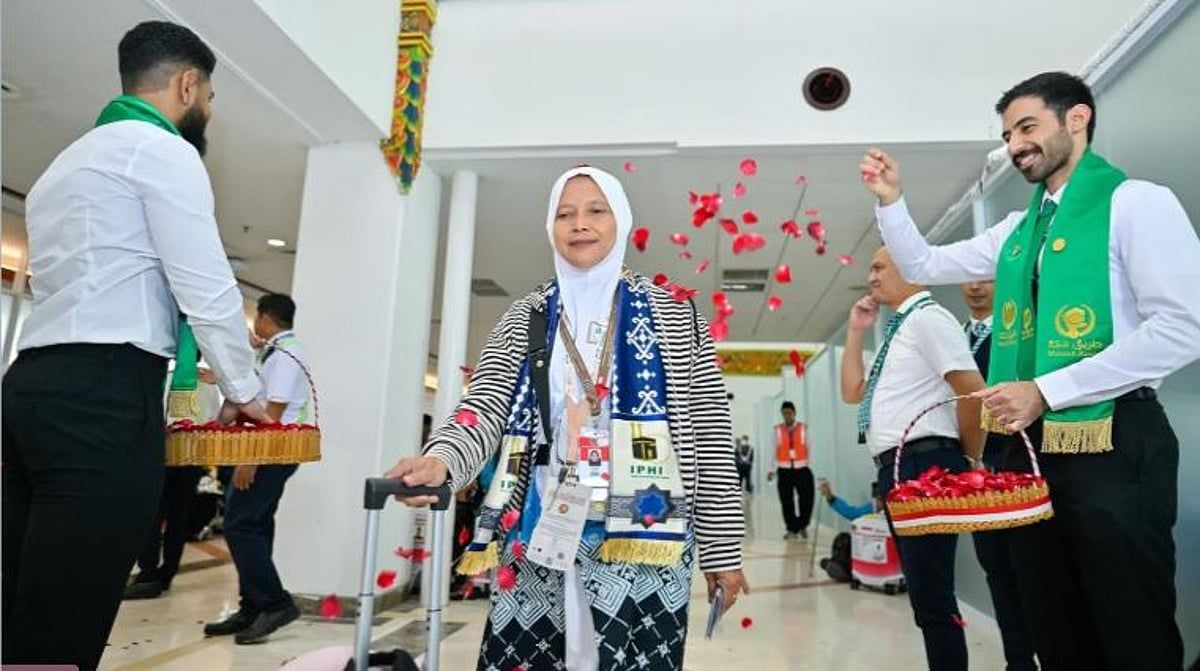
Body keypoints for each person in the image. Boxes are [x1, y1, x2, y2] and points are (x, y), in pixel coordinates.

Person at [861, 71, 1199, 670]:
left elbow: (1183, 327)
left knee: (1131, 626)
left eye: (1026, 127)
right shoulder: (1019, 231)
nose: (1015, 145)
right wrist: (891, 203)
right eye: (1007, 136)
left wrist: (1046, 389)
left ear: (1077, 119)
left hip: (1114, 441)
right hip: (1030, 455)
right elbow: (925, 263)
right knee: (1053, 627)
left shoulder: (1136, 203)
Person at [385, 166, 748, 670]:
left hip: (646, 537)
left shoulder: (674, 315)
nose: (580, 224)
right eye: (565, 214)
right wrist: (441, 460)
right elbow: (483, 406)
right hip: (542, 525)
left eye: (596, 211)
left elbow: (709, 433)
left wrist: (722, 550)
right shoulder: (527, 316)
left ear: (621, 220)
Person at [1, 21, 266, 670]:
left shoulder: (65, 165)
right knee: (64, 619)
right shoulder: (163, 151)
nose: (207, 111)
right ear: (188, 85)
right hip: (104, 395)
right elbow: (205, 285)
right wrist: (245, 389)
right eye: (209, 97)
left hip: (28, 385)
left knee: (17, 603)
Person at [840, 246, 986, 671]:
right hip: (900, 469)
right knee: (926, 596)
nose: (871, 276)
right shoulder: (900, 329)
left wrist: (968, 459)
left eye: (879, 267)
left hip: (926, 464)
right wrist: (856, 331)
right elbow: (852, 392)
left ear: (910, 268)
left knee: (933, 596)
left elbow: (973, 391)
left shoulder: (928, 319)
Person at [204, 294, 309, 644]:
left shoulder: (285, 356)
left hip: (272, 452)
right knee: (257, 525)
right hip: (276, 451)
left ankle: (276, 604)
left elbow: (273, 414)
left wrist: (251, 458)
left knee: (239, 524)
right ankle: (252, 607)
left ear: (265, 317)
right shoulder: (276, 352)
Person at [961, 280, 1038, 671]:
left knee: (1034, 571)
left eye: (985, 277)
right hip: (978, 478)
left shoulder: (1023, 331)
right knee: (998, 571)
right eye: (968, 277)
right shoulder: (956, 338)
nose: (975, 286)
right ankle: (1019, 662)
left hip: (1020, 468)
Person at [124, 360, 223, 600]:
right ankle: (167, 573)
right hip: (192, 455)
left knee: (153, 514)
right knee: (179, 516)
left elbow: (156, 415)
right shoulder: (208, 382)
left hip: (163, 453)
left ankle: (148, 574)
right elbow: (214, 418)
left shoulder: (167, 375)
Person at [769, 401, 814, 539]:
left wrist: (809, 466)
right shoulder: (777, 430)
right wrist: (771, 469)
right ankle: (791, 528)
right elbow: (772, 450)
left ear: (794, 413)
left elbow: (810, 448)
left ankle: (802, 525)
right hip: (784, 470)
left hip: (802, 469)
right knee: (786, 501)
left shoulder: (803, 428)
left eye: (789, 413)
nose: (787, 416)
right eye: (784, 413)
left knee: (806, 499)